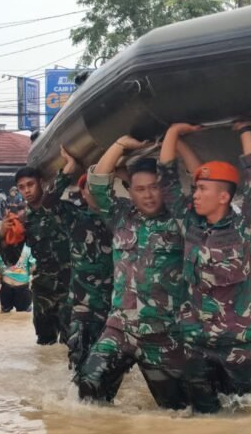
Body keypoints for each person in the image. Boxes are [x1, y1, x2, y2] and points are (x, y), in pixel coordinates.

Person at [76, 135, 192, 408]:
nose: (148, 194)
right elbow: (98, 185)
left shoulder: (182, 219)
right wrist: (119, 146)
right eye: (140, 189)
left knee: (178, 410)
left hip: (163, 334)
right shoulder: (121, 215)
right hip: (120, 329)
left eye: (155, 187)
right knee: (88, 390)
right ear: (131, 191)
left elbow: (201, 182)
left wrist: (178, 141)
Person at [159, 121, 251, 414]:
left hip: (235, 345)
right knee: (203, 416)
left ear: (224, 196)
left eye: (202, 189)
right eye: (195, 188)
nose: (194, 194)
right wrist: (173, 134)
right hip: (194, 343)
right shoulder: (189, 223)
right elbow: (167, 180)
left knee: (244, 414)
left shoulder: (245, 226)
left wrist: (245, 132)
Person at [52, 148, 114, 370]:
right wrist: (68, 168)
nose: (95, 193)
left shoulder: (119, 218)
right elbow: (50, 201)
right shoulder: (74, 218)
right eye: (91, 188)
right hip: (82, 308)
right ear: (83, 192)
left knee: (108, 370)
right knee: (79, 365)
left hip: (114, 308)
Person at [15, 166, 71, 345]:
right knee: (45, 344)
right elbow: (10, 259)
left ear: (41, 182)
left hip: (71, 284)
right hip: (44, 288)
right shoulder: (23, 220)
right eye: (21, 187)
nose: (27, 190)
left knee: (71, 341)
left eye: (30, 184)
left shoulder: (61, 208)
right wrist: (4, 236)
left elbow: (63, 181)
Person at [0, 212, 34, 313]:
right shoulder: (28, 248)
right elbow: (34, 267)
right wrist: (26, 274)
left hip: (7, 285)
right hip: (22, 285)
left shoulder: (2, 250)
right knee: (23, 315)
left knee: (5, 314)